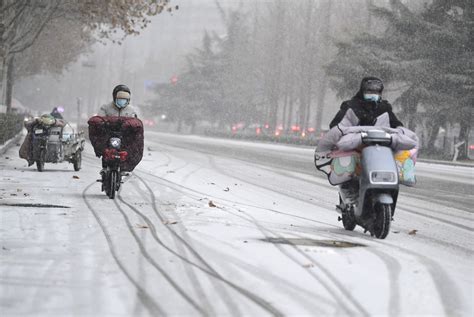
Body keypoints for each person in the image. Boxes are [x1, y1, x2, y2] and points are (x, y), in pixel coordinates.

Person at [329, 76, 403, 129]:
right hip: (354, 146)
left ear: (380, 93)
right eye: (369, 91)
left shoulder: (384, 108)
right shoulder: (350, 106)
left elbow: (396, 124)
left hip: (380, 144)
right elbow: (335, 126)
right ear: (362, 91)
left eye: (376, 92)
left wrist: (400, 130)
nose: (373, 94)